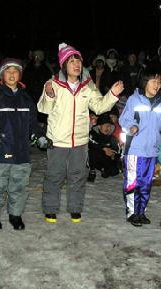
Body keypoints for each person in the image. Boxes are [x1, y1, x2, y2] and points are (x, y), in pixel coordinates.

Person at [37, 43, 124, 223]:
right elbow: (43, 109)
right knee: (54, 176)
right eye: (71, 61)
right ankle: (50, 209)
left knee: (78, 176)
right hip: (58, 141)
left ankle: (75, 208)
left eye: (78, 60)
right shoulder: (53, 83)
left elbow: (99, 107)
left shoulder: (87, 86)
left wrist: (112, 95)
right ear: (63, 65)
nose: (76, 64)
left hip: (80, 141)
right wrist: (49, 94)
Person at [0, 58, 47, 230]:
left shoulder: (26, 97)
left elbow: (33, 122)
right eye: (8, 71)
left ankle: (15, 214)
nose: (12, 74)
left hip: (21, 151)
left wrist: (38, 135)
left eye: (15, 71)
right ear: (2, 75)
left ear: (20, 75)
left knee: (19, 185)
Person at [119, 69, 161, 227]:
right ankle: (132, 212)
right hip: (134, 149)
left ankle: (141, 211)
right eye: (153, 81)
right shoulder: (134, 100)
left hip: (151, 150)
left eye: (159, 82)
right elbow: (125, 118)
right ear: (144, 82)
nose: (157, 85)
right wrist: (131, 126)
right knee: (133, 182)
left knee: (146, 183)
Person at [87, 112, 121, 182]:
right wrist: (104, 148)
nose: (107, 128)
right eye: (105, 125)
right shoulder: (93, 134)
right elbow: (91, 142)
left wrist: (113, 153)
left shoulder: (113, 138)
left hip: (105, 158)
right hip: (94, 158)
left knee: (113, 171)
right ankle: (92, 170)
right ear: (99, 126)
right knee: (92, 150)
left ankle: (104, 169)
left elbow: (118, 149)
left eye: (109, 126)